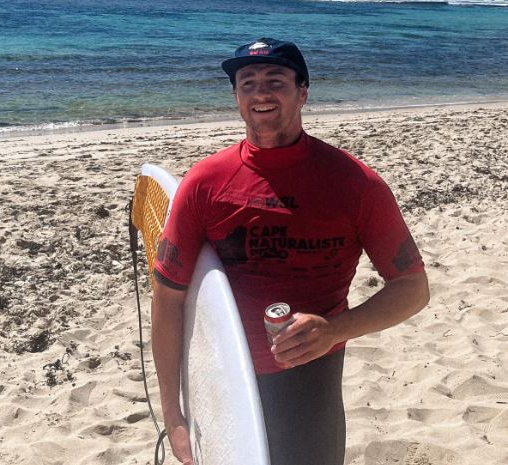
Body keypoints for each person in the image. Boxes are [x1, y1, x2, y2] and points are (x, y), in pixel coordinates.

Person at [150, 38, 430, 465]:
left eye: (275, 80)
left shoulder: (355, 184)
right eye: (247, 83)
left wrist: (334, 330)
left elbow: (413, 288)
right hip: (222, 379)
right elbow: (168, 297)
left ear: (303, 93)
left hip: (311, 385)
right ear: (236, 96)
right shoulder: (204, 183)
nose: (260, 92)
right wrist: (174, 416)